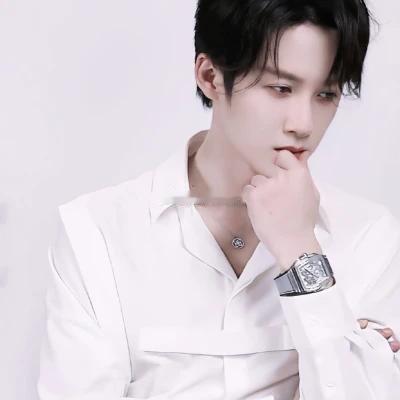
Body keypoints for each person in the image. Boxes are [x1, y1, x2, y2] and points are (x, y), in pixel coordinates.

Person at [37, 1, 400, 399]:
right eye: (281, 89)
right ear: (210, 76)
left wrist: (301, 253)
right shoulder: (96, 232)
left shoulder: (368, 236)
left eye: (326, 94)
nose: (304, 124)